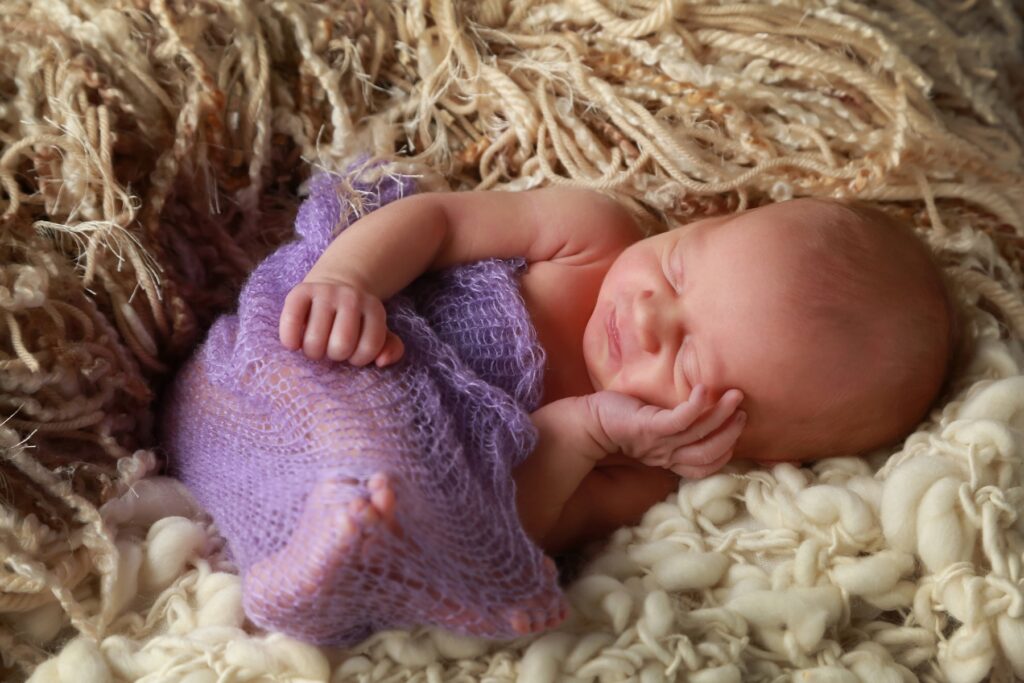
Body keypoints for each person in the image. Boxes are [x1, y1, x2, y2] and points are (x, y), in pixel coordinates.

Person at [275, 188, 957, 634]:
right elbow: (439, 221)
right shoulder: (590, 236)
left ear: (744, 442)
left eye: (689, 363)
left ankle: (298, 568)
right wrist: (348, 278)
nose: (650, 316)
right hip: (316, 337)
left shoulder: (640, 468)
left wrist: (585, 430)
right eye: (678, 269)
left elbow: (506, 527)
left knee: (405, 543)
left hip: (361, 476)